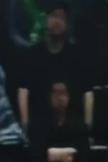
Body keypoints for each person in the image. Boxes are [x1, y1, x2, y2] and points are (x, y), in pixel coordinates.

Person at [17, 2, 91, 131]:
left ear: (67, 24)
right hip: (40, 123)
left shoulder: (77, 55)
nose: (57, 21)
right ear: (45, 19)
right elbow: (23, 90)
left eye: (61, 17)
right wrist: (25, 123)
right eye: (53, 16)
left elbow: (88, 91)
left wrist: (88, 124)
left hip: (72, 123)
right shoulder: (33, 54)